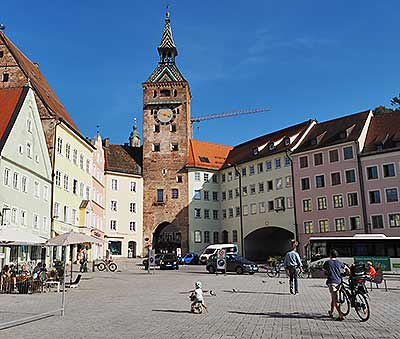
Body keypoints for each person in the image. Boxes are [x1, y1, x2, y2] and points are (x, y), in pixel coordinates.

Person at [323, 249, 350, 321]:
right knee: (334, 297)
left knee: (335, 300)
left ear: (330, 255)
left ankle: (341, 315)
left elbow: (324, 271)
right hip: (339, 282)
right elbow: (347, 269)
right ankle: (331, 312)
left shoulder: (327, 262)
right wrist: (346, 274)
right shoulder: (339, 262)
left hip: (332, 282)